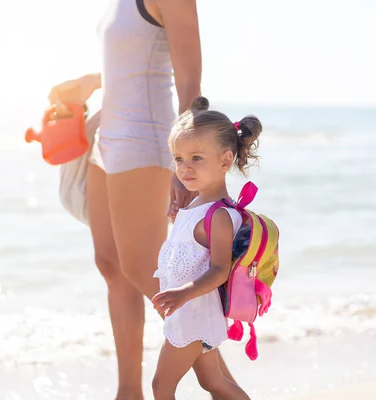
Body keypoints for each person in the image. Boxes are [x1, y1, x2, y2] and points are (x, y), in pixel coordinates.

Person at [48, 1, 237, 398]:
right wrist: (92, 82)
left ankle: (224, 386)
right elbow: (132, 60)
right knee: (112, 266)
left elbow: (189, 84)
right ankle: (128, 393)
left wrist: (183, 165)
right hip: (107, 138)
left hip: (145, 142)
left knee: (146, 272)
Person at [151, 96, 261, 399]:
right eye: (178, 159)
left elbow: (219, 271)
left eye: (196, 158)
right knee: (213, 383)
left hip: (194, 312)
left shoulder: (220, 215)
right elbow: (190, 253)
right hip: (191, 312)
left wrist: (183, 293)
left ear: (225, 160)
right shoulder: (198, 205)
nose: (185, 168)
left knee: (161, 386)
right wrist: (178, 220)